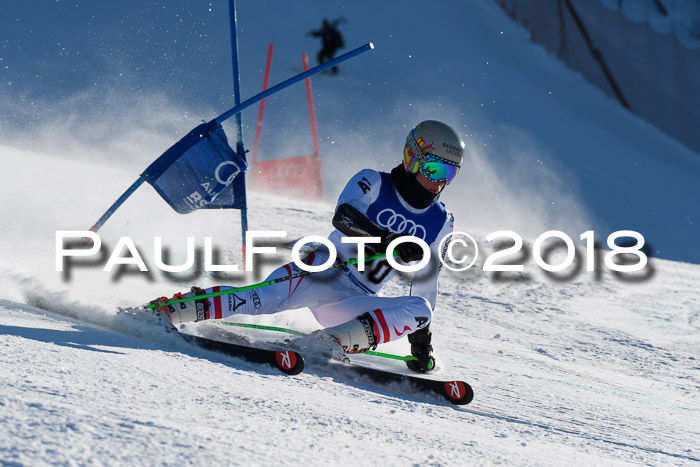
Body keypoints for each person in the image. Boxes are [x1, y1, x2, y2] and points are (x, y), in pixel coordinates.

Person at [153, 120, 465, 373]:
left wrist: (420, 345)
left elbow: (426, 287)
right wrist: (387, 240)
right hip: (321, 273)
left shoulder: (440, 222)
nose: (440, 182)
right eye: (435, 170)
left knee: (422, 310)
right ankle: (175, 308)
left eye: (449, 173)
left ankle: (331, 342)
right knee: (262, 300)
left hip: (355, 302)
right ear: (413, 157)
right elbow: (344, 217)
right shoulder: (373, 182)